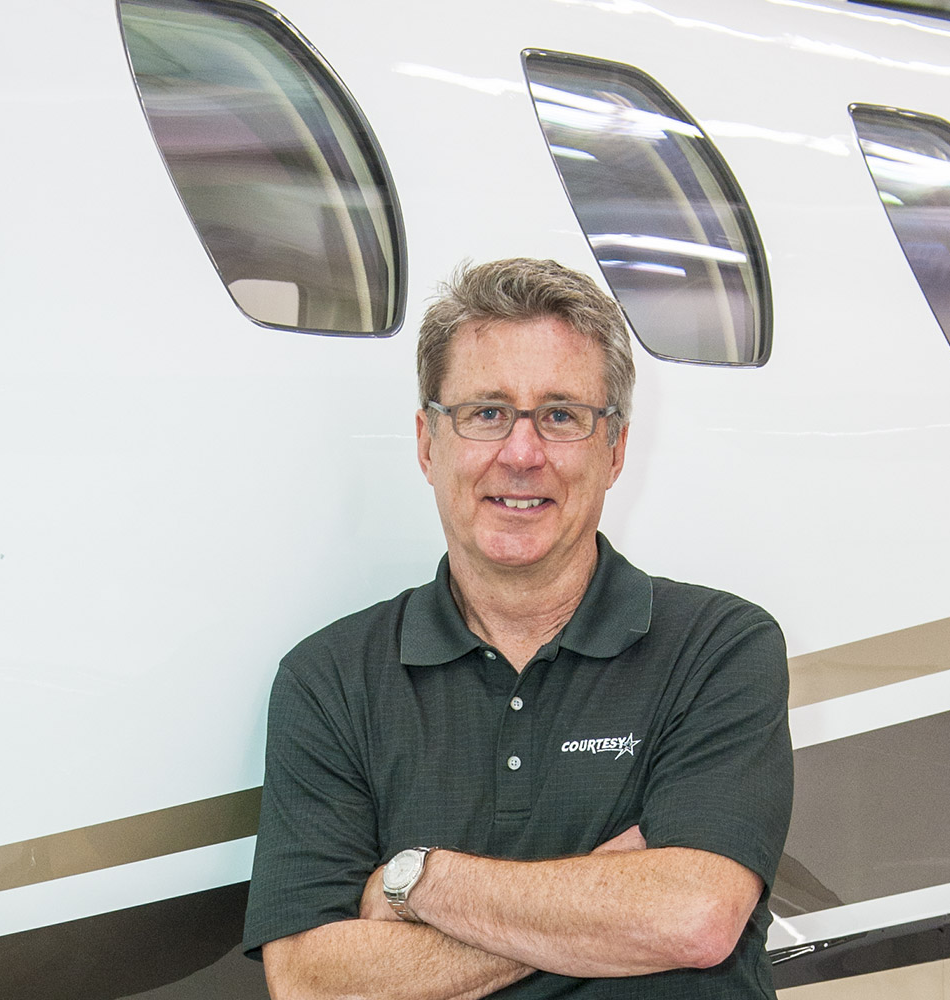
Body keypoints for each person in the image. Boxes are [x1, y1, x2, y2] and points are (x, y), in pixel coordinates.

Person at [242, 258, 793, 1000]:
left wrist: (419, 880)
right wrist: (611, 900)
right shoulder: (330, 679)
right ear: (427, 443)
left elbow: (694, 917)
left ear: (616, 449)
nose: (523, 453)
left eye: (562, 415)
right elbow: (313, 980)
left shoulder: (720, 647)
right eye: (486, 413)